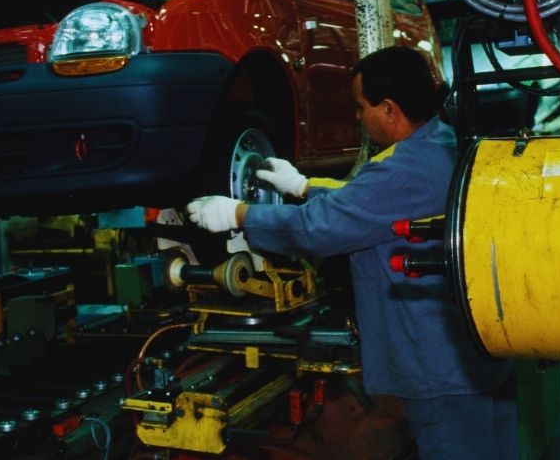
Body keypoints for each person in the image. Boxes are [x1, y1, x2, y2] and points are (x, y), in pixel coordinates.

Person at [186, 46, 516, 460]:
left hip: (442, 372)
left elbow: (316, 229)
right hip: (479, 357)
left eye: (361, 107)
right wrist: (305, 187)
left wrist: (237, 213)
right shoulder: (441, 143)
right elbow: (369, 205)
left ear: (390, 109)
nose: (358, 118)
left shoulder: (400, 170)